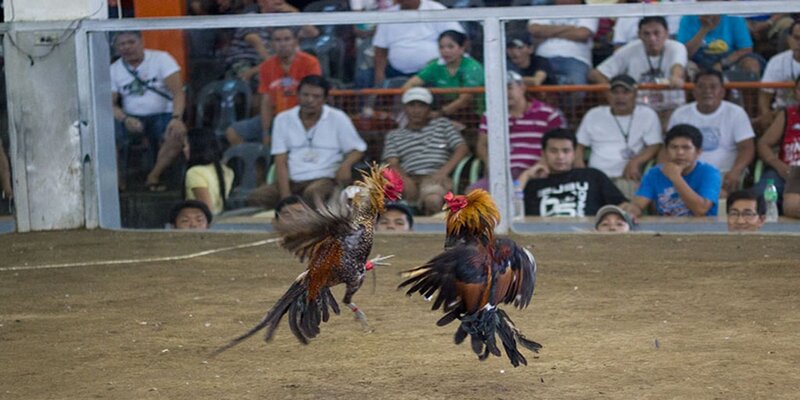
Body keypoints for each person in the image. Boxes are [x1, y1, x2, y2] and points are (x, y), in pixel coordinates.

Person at [247, 75, 367, 209]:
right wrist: (286, 197)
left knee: (314, 194)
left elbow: (358, 149)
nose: (310, 100)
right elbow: (280, 160)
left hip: (325, 179)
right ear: (297, 95)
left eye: (316, 96)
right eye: (305, 95)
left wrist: (345, 165)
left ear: (325, 99)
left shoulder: (338, 118)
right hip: (293, 180)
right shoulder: (283, 119)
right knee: (258, 197)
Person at [111, 31, 187, 191]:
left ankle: (153, 176)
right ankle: (118, 185)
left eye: (131, 42)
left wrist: (177, 118)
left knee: (176, 134)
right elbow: (110, 105)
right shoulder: (114, 69)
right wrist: (125, 119)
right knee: (108, 138)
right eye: (122, 44)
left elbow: (178, 92)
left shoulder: (161, 59)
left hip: (164, 114)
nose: (127, 47)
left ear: (141, 42)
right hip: (131, 117)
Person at [225, 26, 322, 146]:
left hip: (302, 117)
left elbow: (314, 97)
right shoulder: (266, 67)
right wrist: (266, 132)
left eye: (287, 39)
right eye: (278, 40)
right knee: (233, 132)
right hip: (275, 117)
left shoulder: (310, 63)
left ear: (295, 42)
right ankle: (259, 163)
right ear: (271, 44)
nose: (283, 44)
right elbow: (266, 101)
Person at [471, 70, 565, 191]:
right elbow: (482, 144)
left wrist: (540, 166)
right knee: (472, 195)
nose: (505, 93)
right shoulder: (490, 115)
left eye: (509, 88)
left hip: (536, 172)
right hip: (501, 175)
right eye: (500, 89)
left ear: (522, 88)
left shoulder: (548, 113)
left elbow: (558, 144)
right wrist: (490, 163)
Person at [382, 87, 469, 215]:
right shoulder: (394, 135)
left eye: (421, 106)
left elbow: (462, 148)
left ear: (429, 109)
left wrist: (443, 172)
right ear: (405, 109)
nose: (416, 110)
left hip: (435, 177)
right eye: (411, 105)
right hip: (407, 178)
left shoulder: (442, 124)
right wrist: (404, 180)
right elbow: (392, 162)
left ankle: (434, 234)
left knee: (432, 200)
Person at [667, 69, 755, 195]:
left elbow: (747, 148)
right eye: (701, 87)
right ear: (694, 91)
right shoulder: (680, 114)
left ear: (722, 92)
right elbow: (668, 148)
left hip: (724, 174)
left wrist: (736, 170)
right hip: (685, 173)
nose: (707, 91)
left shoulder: (736, 113)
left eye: (713, 87)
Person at [575, 74, 662, 199]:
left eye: (626, 92)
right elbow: (579, 146)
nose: (620, 97)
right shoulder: (594, 114)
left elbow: (655, 145)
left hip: (626, 178)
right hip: (596, 178)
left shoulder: (647, 115)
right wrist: (581, 170)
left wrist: (635, 161)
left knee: (625, 209)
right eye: (615, 92)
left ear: (635, 94)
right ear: (608, 95)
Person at [518, 128, 632, 217]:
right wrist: (526, 175)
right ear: (543, 153)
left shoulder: (592, 176)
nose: (560, 156)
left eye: (566, 151)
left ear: (574, 153)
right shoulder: (533, 184)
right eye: (553, 151)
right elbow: (510, 209)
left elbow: (622, 205)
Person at [590, 16, 687, 115]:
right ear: (639, 35)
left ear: (666, 34)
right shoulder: (630, 49)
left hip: (670, 108)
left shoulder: (677, 47)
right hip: (639, 110)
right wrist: (612, 95)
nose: (652, 38)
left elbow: (677, 65)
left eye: (656, 33)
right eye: (646, 34)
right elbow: (596, 74)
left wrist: (675, 77)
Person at [630, 124, 722, 217]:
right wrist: (632, 211)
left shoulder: (710, 173)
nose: (679, 153)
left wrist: (675, 177)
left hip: (703, 229)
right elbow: (638, 205)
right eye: (674, 147)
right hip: (666, 229)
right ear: (666, 151)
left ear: (698, 152)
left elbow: (701, 210)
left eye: (686, 148)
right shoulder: (654, 173)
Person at [371, 0, 465, 87]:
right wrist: (379, 76)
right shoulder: (388, 15)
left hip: (432, 73)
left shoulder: (435, 9)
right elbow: (380, 49)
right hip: (396, 73)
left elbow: (458, 38)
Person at [402, 30, 485, 120]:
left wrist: (439, 113)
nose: (445, 51)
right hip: (445, 111)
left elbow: (464, 100)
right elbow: (410, 84)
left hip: (473, 114)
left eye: (450, 47)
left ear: (462, 48)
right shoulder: (435, 65)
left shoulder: (473, 68)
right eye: (441, 47)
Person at [527, 0, 598, 87]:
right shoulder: (544, 9)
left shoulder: (587, 10)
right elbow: (535, 30)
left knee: (577, 87)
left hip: (576, 60)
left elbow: (582, 34)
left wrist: (548, 32)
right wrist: (569, 28)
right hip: (543, 59)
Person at [755, 76, 800, 208]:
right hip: (786, 171)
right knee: (759, 196)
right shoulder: (787, 114)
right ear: (795, 92)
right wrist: (778, 165)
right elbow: (763, 144)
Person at [677, 8, 762, 77]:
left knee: (751, 64)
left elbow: (746, 49)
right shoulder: (687, 18)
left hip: (728, 60)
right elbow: (684, 53)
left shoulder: (733, 17)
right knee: (683, 69)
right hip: (697, 62)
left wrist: (722, 64)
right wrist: (704, 29)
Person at [757, 22, 800, 131]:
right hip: (782, 112)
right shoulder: (777, 61)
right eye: (796, 38)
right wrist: (765, 114)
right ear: (789, 39)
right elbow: (765, 94)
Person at [184, 128, 235, 215]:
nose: (184, 149)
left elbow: (206, 209)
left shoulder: (194, 173)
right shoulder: (227, 171)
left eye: (186, 145)